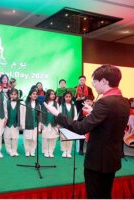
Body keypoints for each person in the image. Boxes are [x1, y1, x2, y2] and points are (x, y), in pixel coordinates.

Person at [44, 64, 130, 198]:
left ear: (104, 81)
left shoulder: (104, 103)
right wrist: (94, 113)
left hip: (97, 160)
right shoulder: (124, 101)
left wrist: (57, 114)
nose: (93, 85)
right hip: (112, 158)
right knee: (105, 193)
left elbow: (81, 128)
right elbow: (110, 122)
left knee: (94, 194)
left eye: (94, 82)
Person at [20, 88, 41, 157]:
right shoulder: (24, 104)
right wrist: (22, 125)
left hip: (35, 124)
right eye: (33, 94)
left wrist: (39, 127)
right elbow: (22, 115)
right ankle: (27, 151)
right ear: (30, 95)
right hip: (27, 124)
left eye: (36, 94)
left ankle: (32, 151)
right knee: (27, 138)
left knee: (34, 139)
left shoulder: (38, 105)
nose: (35, 95)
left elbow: (39, 117)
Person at [59, 91, 77, 158]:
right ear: (64, 97)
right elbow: (59, 115)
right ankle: (64, 151)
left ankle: (68, 151)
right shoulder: (61, 106)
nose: (68, 98)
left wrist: (73, 123)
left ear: (71, 97)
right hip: (63, 125)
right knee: (63, 138)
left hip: (71, 125)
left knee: (70, 138)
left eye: (69, 97)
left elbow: (75, 116)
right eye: (66, 97)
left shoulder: (73, 106)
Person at [41, 89, 59, 158]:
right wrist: (41, 124)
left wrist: (58, 124)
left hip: (53, 123)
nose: (53, 95)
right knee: (45, 137)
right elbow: (41, 114)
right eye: (51, 94)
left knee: (53, 138)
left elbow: (58, 114)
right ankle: (46, 151)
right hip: (45, 123)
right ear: (48, 95)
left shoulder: (56, 103)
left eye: (54, 94)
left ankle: (51, 151)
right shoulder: (44, 103)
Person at [4, 89, 21, 157]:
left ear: (17, 95)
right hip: (7, 123)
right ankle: (9, 151)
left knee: (15, 138)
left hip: (15, 123)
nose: (13, 96)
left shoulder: (19, 103)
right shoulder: (6, 102)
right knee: (7, 137)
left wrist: (20, 123)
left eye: (15, 94)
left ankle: (14, 150)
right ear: (9, 95)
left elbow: (21, 113)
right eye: (12, 94)